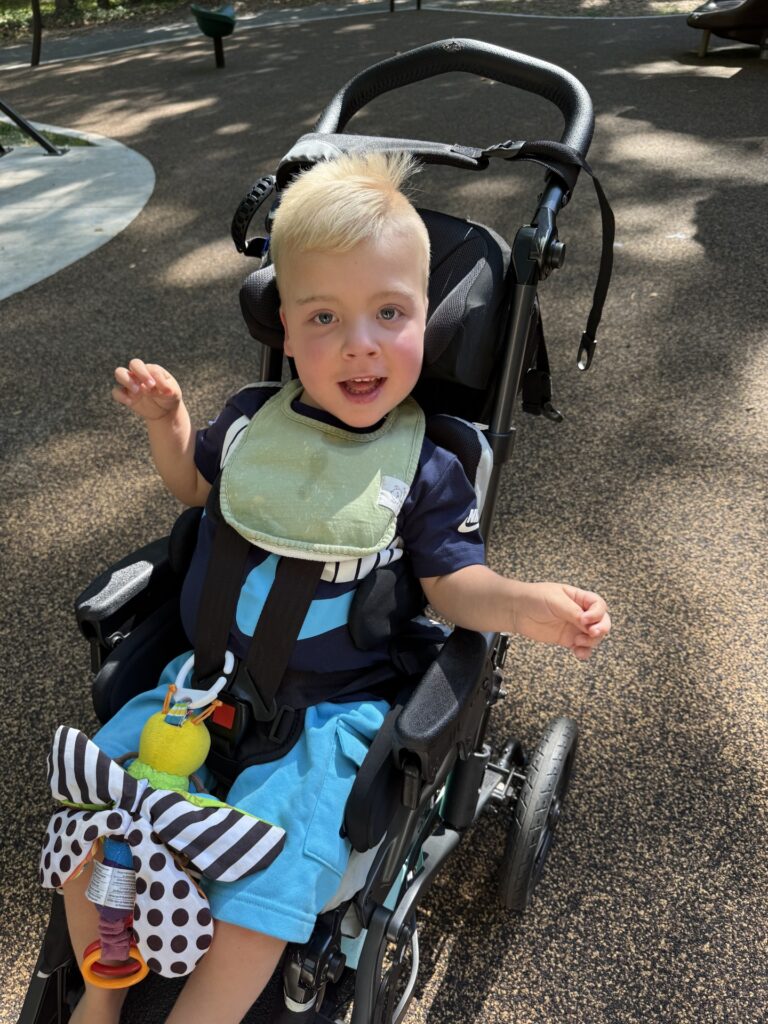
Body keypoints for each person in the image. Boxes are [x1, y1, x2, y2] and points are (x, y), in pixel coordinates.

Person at [60, 151, 611, 1024]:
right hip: (194, 692)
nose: (361, 343)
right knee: (96, 834)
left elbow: (454, 586)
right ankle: (100, 992)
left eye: (389, 313)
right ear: (284, 329)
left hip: (327, 720)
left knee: (262, 896)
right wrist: (171, 425)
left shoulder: (429, 466)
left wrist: (522, 604)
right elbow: (197, 491)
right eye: (325, 317)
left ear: (426, 319)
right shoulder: (253, 422)